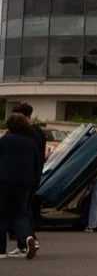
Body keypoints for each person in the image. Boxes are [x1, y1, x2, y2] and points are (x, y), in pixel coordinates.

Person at [0, 111, 41, 259]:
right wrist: (35, 182)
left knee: (2, 214)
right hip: (25, 183)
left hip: (4, 182)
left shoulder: (4, 141)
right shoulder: (31, 143)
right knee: (20, 213)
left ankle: (1, 250)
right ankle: (26, 240)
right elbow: (37, 165)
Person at [11, 103, 48, 253]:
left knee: (20, 209)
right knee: (25, 207)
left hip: (18, 177)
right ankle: (28, 238)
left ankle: (26, 239)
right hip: (34, 175)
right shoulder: (39, 131)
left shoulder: (23, 133)